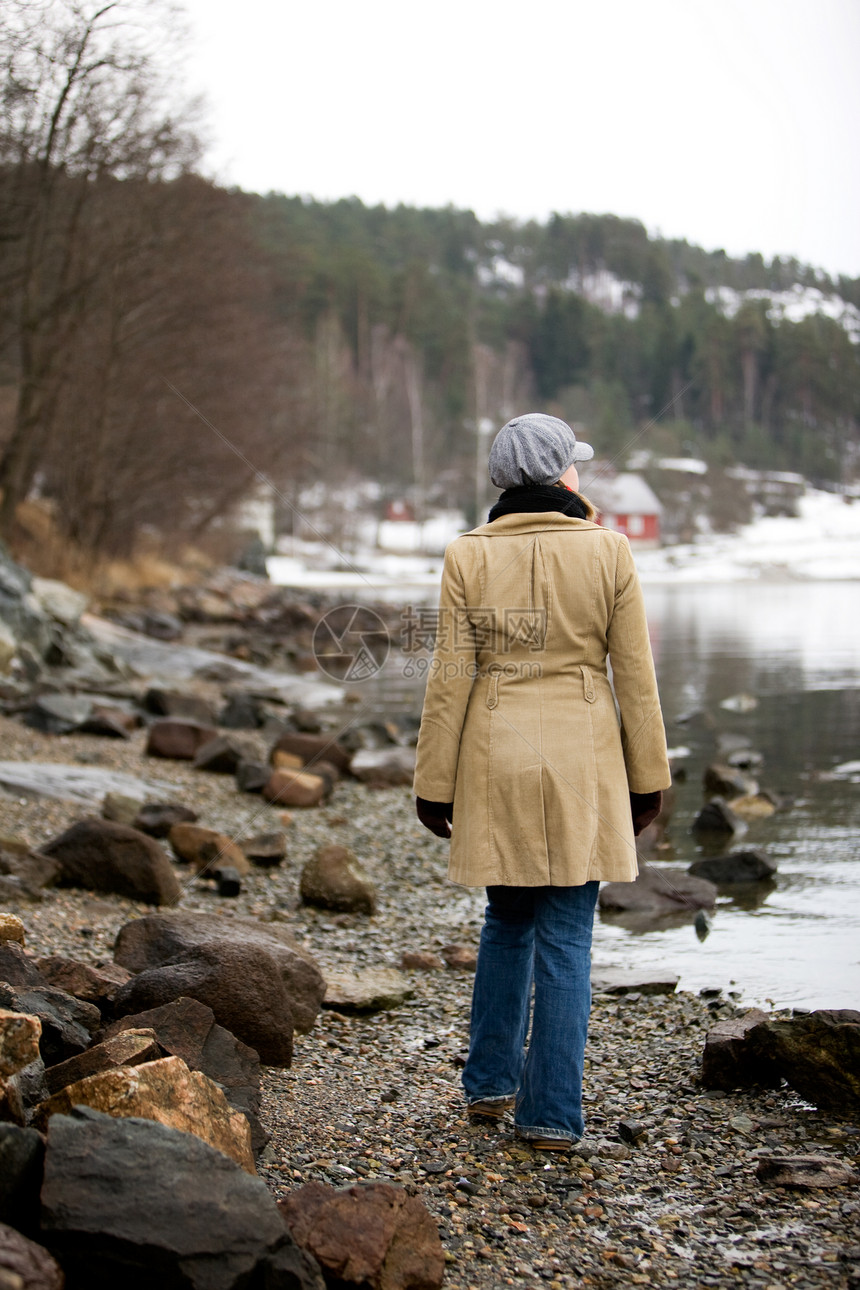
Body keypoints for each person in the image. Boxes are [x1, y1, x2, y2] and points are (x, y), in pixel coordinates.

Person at [412, 412, 671, 1151]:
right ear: (562, 476)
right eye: (576, 466)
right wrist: (649, 778)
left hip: (496, 757)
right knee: (567, 937)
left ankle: (490, 1084)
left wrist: (434, 783)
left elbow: (450, 679)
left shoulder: (467, 555)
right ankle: (551, 1115)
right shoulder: (609, 551)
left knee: (507, 921)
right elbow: (636, 679)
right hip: (583, 760)